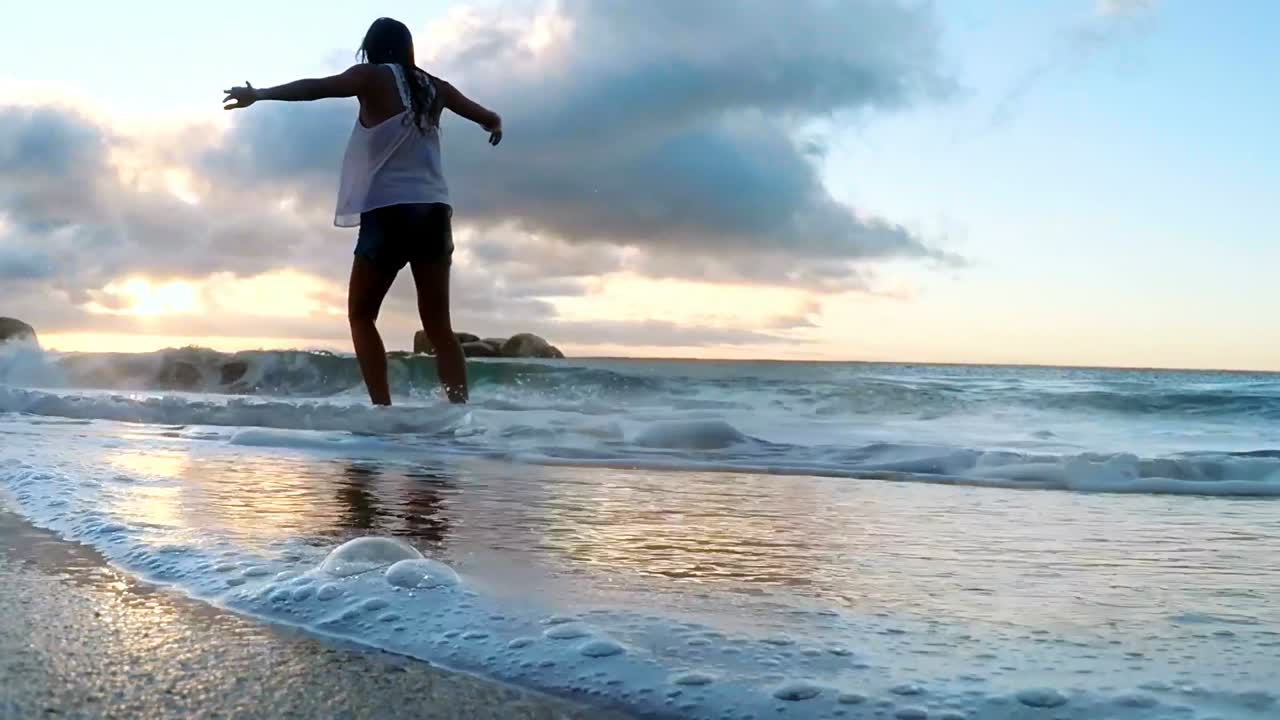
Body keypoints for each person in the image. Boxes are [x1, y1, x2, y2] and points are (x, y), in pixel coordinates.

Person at [222, 17, 502, 405]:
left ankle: (382, 410)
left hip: (388, 211)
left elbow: (315, 89)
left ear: (372, 48)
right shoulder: (435, 87)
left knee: (362, 315)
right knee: (439, 327)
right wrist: (494, 124)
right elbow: (486, 116)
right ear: (407, 49)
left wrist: (262, 94)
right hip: (434, 212)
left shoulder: (371, 77)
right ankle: (458, 412)